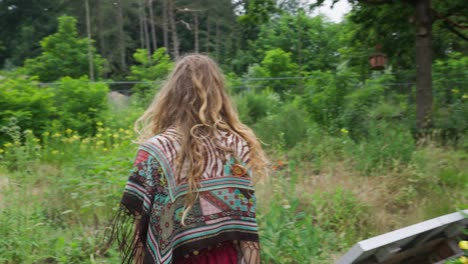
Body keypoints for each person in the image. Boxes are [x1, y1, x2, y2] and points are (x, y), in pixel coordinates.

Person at [111, 54, 268, 264]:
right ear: (218, 93)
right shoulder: (236, 147)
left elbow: (142, 225)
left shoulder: (156, 151)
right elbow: (247, 227)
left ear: (171, 94)